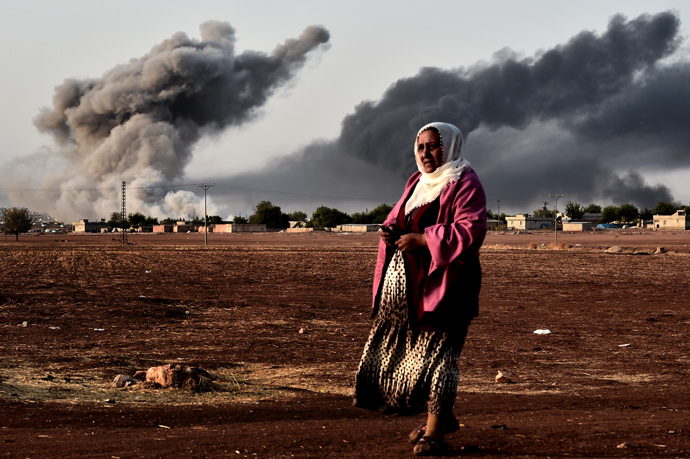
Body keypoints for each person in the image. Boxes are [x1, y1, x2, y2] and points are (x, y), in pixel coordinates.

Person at [353, 122, 487, 456]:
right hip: (412, 290)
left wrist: (423, 239)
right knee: (418, 355)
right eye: (421, 147)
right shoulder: (417, 182)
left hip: (449, 286)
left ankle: (435, 433)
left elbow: (471, 230)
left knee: (441, 355)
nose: (426, 154)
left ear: (450, 147)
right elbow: (402, 218)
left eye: (434, 146)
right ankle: (441, 417)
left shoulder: (464, 181)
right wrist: (392, 232)